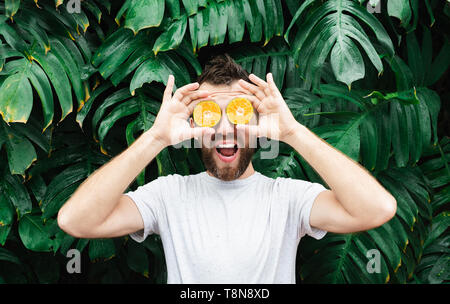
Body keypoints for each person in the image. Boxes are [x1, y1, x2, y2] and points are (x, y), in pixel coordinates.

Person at [57, 54, 397, 283]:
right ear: (193, 125)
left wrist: (292, 132)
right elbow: (76, 220)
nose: (223, 129)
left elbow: (377, 209)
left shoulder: (286, 198)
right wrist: (156, 137)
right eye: (209, 116)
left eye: (236, 113)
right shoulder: (168, 195)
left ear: (256, 122)